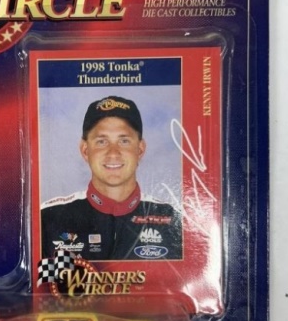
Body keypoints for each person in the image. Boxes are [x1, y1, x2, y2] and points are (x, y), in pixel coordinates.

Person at [40, 96, 182, 261]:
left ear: (140, 149)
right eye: (102, 141)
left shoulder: (173, 220)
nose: (113, 153)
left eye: (124, 141)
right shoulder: (47, 217)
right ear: (85, 150)